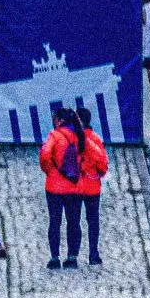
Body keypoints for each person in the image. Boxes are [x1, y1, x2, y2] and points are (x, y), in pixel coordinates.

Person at [38, 105, 109, 268]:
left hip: (54, 187)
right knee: (74, 222)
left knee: (54, 222)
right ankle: (72, 257)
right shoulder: (80, 137)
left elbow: (45, 154)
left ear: (59, 121)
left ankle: (55, 257)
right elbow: (100, 159)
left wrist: (50, 171)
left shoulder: (54, 136)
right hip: (76, 186)